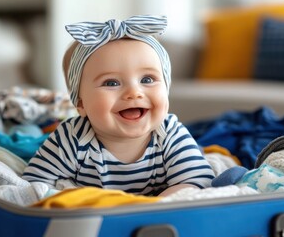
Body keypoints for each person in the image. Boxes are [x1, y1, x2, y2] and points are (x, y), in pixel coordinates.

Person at [22, 15, 215, 196]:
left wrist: (154, 207)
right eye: (111, 83)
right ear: (80, 102)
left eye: (147, 79)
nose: (134, 92)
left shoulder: (169, 133)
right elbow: (34, 186)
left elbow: (198, 181)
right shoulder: (71, 138)